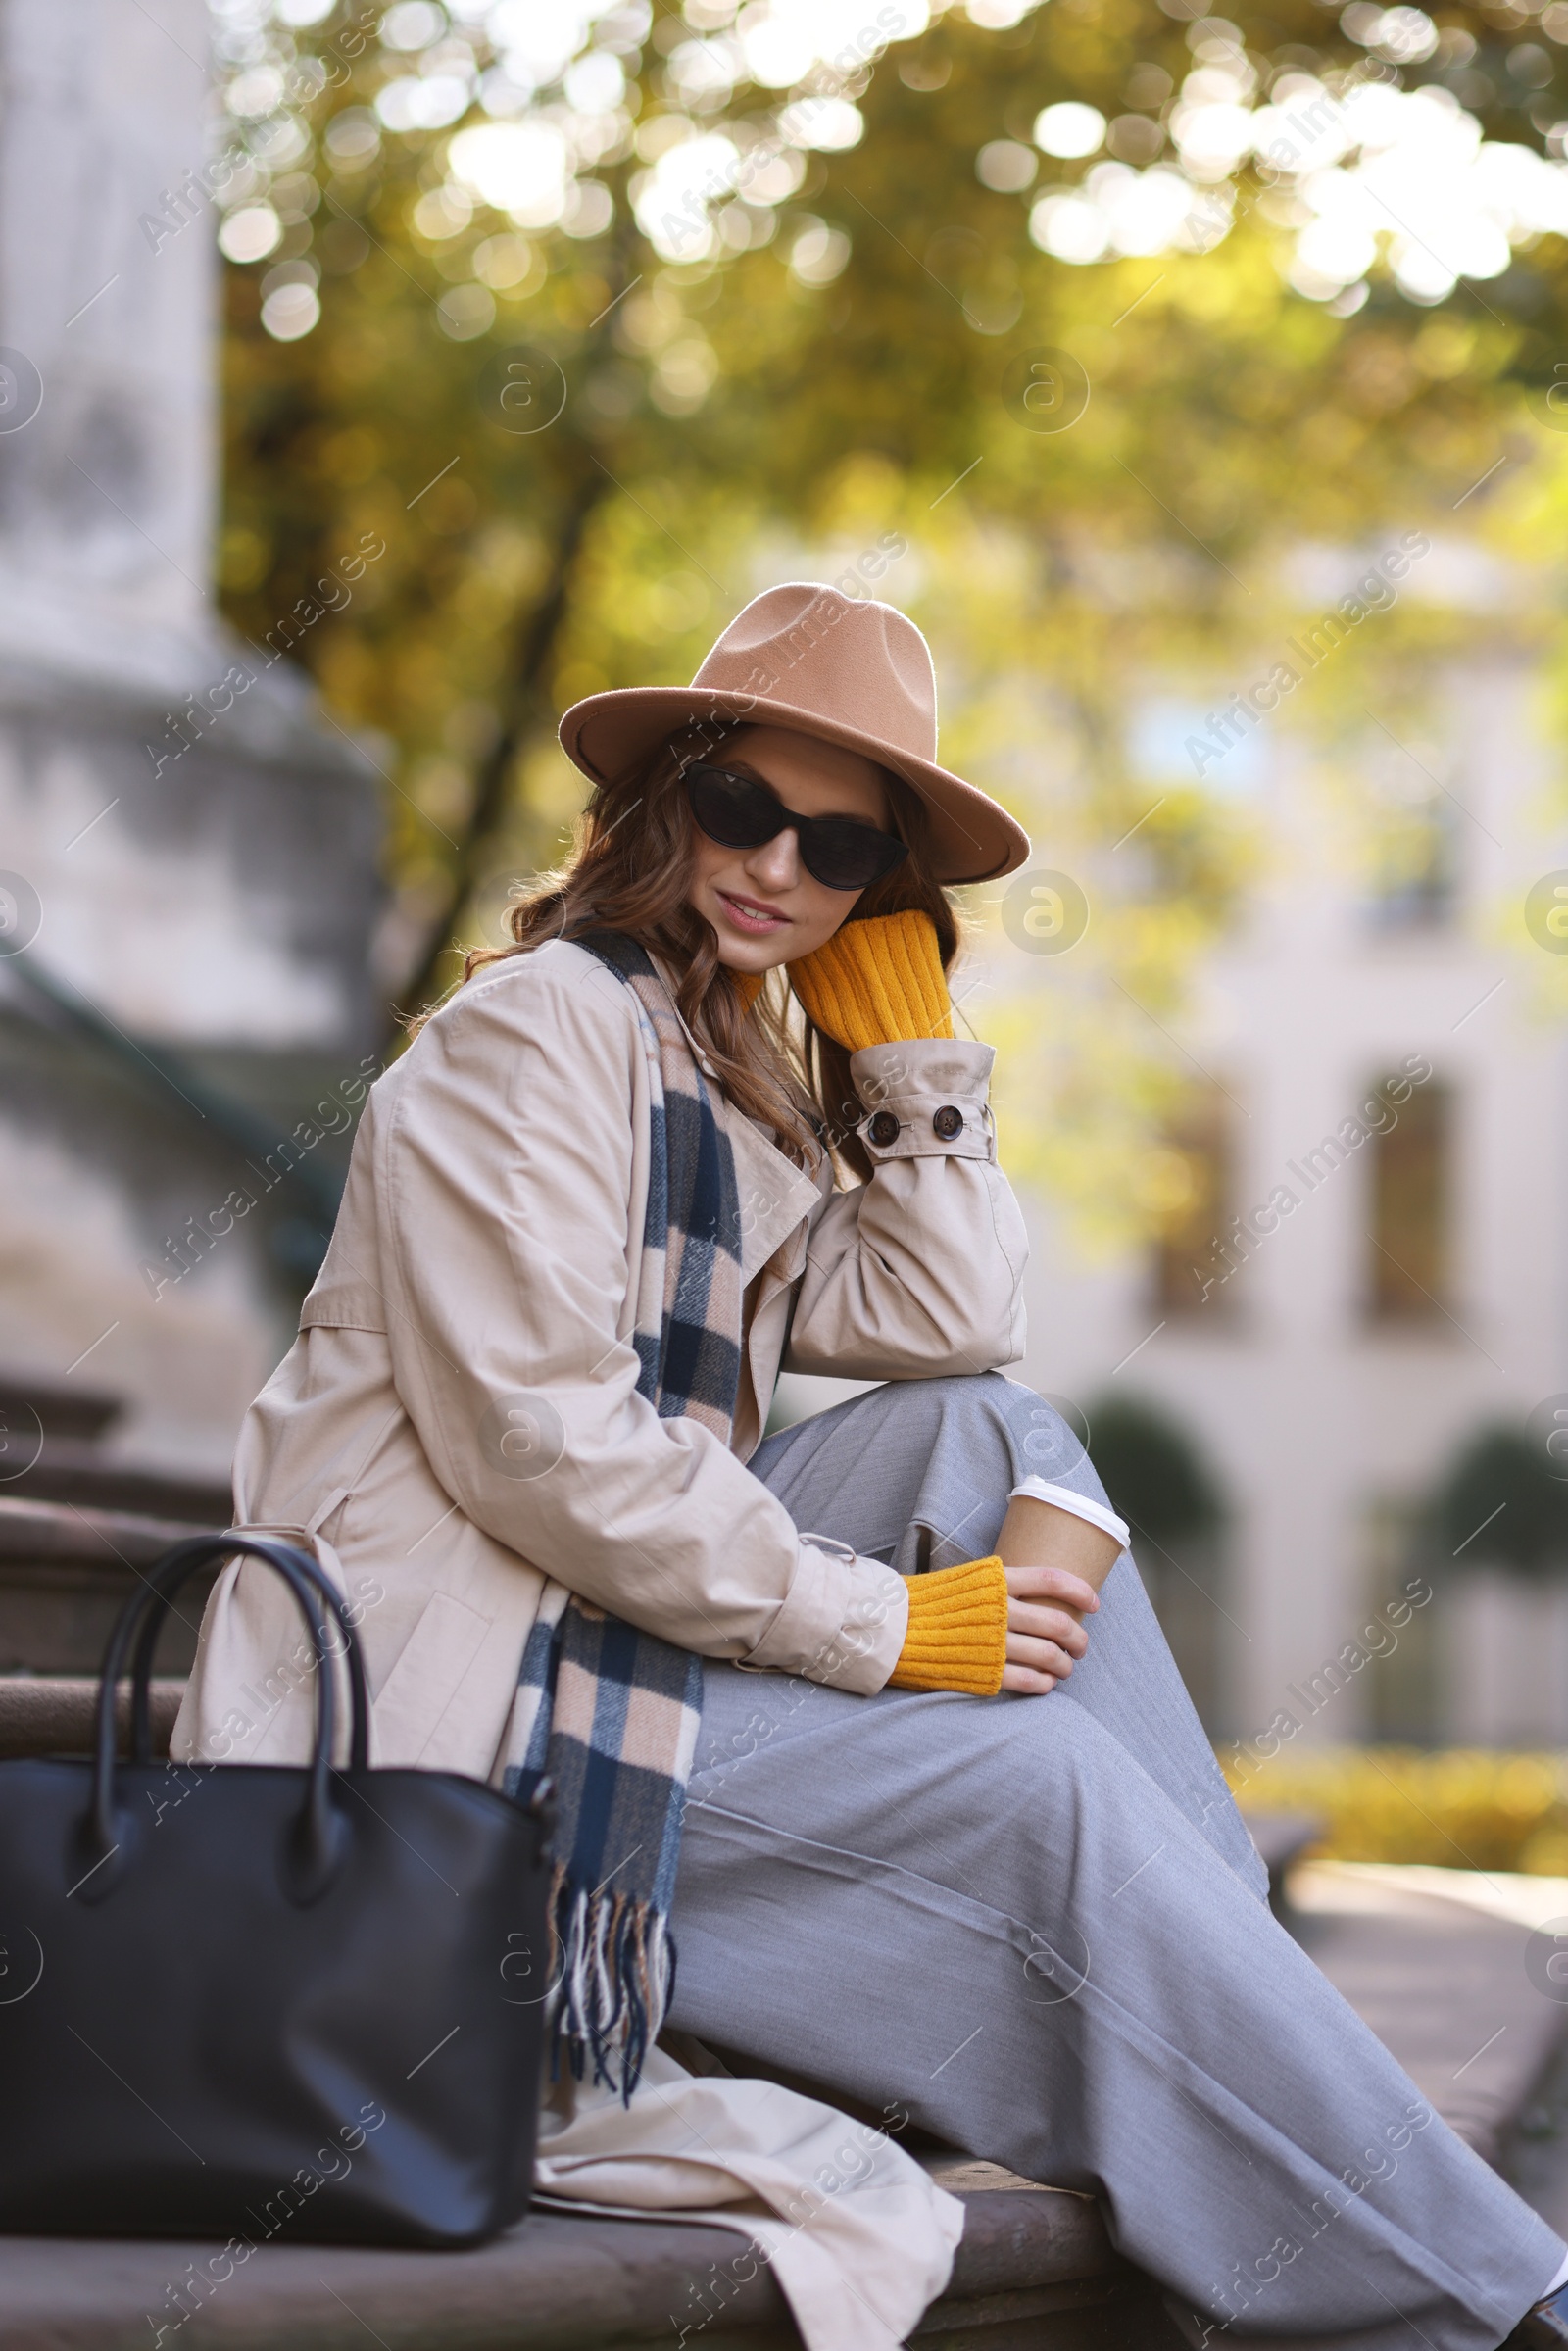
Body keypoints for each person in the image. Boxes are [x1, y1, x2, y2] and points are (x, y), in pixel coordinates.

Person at [175, 582, 1568, 2351]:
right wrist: (880, 1632)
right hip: (453, 1722)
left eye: (839, 851)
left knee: (995, 1434)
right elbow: (547, 1449)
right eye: (743, 805)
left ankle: (1249, 2044)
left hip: (599, 1647)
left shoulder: (722, 1081)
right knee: (1040, 1787)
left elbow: (949, 1311)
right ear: (658, 797)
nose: (777, 866)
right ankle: (1486, 2301)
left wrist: (902, 1045)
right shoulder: (530, 1034)